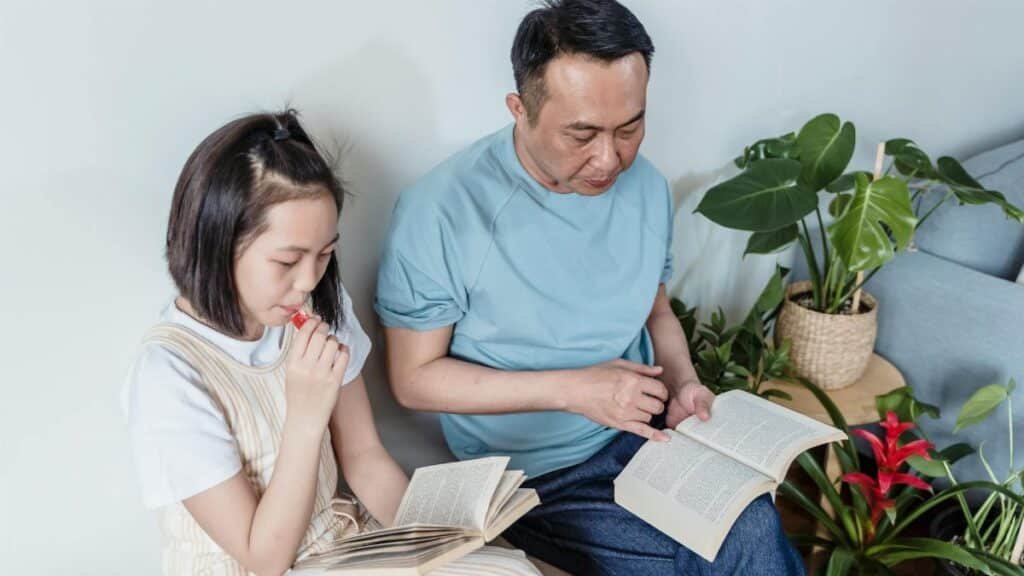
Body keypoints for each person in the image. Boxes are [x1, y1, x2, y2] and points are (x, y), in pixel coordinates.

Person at [374, 1, 805, 574]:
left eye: (629, 128)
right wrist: (573, 390)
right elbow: (413, 380)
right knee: (706, 555)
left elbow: (654, 312)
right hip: (533, 474)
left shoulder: (646, 186)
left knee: (752, 525)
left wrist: (683, 383)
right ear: (520, 110)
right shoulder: (441, 211)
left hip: (646, 438)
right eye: (581, 134)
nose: (609, 159)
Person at [121, 110, 541, 575]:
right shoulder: (168, 374)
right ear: (217, 243)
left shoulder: (316, 304)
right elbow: (264, 559)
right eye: (287, 261)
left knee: (512, 570)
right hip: (255, 566)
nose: (307, 281)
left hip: (340, 548)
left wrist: (444, 547)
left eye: (324, 254)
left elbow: (365, 461)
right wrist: (305, 415)